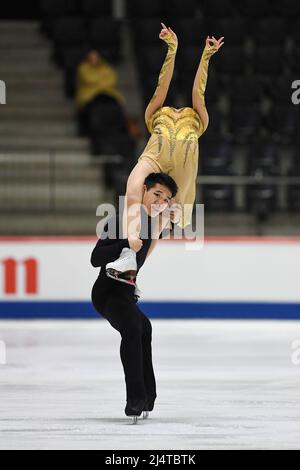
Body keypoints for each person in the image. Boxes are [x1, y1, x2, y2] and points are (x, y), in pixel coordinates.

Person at [106, 23, 224, 282]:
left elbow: (198, 93)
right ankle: (128, 251)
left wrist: (206, 57)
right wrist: (172, 49)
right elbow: (162, 86)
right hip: (154, 157)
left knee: (164, 221)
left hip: (182, 168)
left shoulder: (199, 118)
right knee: (133, 196)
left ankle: (135, 269)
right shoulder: (153, 114)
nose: (179, 109)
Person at [91, 172, 178, 420]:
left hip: (126, 294)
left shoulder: (149, 224)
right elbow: (95, 258)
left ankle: (148, 398)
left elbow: (158, 236)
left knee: (144, 328)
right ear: (143, 191)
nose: (160, 201)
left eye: (166, 199)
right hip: (107, 292)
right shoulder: (122, 220)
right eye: (156, 194)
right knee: (132, 327)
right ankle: (136, 399)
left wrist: (168, 219)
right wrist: (125, 243)